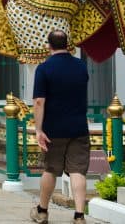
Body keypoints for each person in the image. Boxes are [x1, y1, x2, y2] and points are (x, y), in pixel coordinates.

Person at [30, 29, 89, 224]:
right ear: (67, 44)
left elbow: (39, 101)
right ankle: (79, 216)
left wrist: (39, 130)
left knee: (50, 169)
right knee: (77, 171)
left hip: (53, 129)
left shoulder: (44, 68)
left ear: (49, 45)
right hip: (79, 127)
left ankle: (42, 211)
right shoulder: (81, 66)